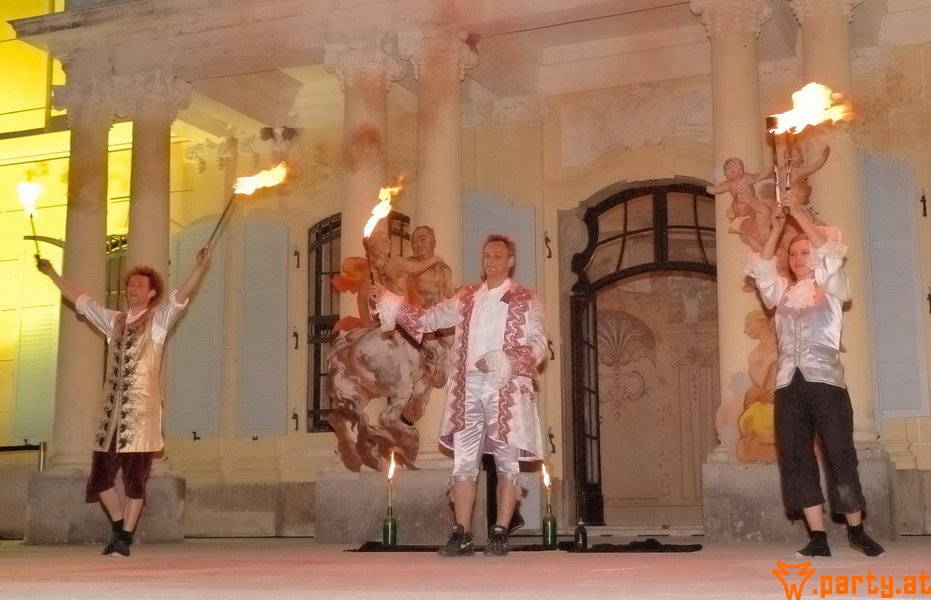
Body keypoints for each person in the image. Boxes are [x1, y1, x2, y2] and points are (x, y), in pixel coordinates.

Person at [372, 234, 547, 557]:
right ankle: (461, 534)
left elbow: (539, 346)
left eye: (497, 256)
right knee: (464, 462)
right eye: (486, 255)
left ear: (510, 261)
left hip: (504, 386)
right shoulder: (467, 296)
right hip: (468, 387)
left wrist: (505, 359)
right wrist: (391, 301)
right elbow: (428, 319)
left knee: (507, 462)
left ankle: (500, 532)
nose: (490, 261)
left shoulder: (525, 299)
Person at [37, 247, 212, 557]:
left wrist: (199, 266)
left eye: (140, 285)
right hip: (110, 417)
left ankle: (125, 538)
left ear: (151, 292)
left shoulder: (158, 322)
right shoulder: (113, 321)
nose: (133, 288)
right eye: (131, 284)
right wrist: (52, 273)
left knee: (135, 479)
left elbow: (180, 297)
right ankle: (119, 527)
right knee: (101, 478)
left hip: (141, 417)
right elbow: (80, 300)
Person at [744, 188, 885, 558]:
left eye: (804, 252)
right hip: (788, 386)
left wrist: (799, 214)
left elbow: (829, 252)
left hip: (827, 384)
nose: (798, 258)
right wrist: (778, 225)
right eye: (793, 254)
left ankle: (857, 531)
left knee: (840, 454)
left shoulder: (832, 286)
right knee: (795, 457)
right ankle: (818, 537)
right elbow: (762, 266)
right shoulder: (781, 293)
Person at [707, 157, 775, 251]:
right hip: (741, 208)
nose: (738, 173)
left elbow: (758, 177)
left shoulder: (746, 178)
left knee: (753, 209)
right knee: (740, 209)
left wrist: (768, 172)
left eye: (740, 170)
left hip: (751, 205)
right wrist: (712, 190)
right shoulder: (728, 184)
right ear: (726, 173)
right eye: (733, 172)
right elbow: (719, 189)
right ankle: (755, 238)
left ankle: (759, 238)